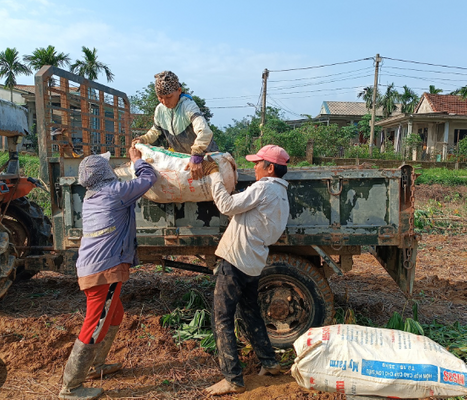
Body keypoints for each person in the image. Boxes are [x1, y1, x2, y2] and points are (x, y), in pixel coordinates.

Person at [59, 148, 157, 400]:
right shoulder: (115, 193)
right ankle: (71, 387)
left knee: (115, 314)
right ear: (104, 173)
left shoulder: (92, 196)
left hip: (94, 266)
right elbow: (148, 180)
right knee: (96, 323)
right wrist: (138, 161)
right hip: (104, 271)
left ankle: (96, 365)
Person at [206, 144, 290, 396]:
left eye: (257, 163)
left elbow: (227, 205)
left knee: (221, 318)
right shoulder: (282, 194)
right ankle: (270, 362)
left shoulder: (264, 187)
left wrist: (213, 176)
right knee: (251, 313)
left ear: (270, 168)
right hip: (253, 261)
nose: (253, 167)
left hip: (235, 259)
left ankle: (232, 378)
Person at [132, 70, 218, 180]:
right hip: (183, 160)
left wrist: (197, 154)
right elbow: (155, 131)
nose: (164, 102)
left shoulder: (188, 106)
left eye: (169, 97)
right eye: (160, 97)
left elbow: (204, 131)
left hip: (205, 157)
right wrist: (143, 139)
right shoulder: (160, 110)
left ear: (179, 90)